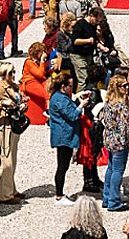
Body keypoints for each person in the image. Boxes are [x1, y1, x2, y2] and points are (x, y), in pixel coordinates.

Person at [0, 61, 27, 205]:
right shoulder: (1, 88)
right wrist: (3, 103)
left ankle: (11, 189)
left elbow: (19, 100)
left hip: (14, 124)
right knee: (7, 159)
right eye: (11, 73)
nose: (13, 75)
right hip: (5, 126)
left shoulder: (13, 87)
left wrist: (22, 105)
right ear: (4, 74)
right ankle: (4, 194)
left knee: (13, 158)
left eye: (14, 72)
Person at [49, 73, 90, 205]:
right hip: (63, 136)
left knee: (63, 165)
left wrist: (78, 98)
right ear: (63, 87)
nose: (72, 88)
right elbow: (72, 115)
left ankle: (59, 194)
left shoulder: (60, 96)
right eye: (70, 86)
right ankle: (59, 196)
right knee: (62, 166)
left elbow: (69, 105)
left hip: (64, 134)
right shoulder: (60, 99)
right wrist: (81, 105)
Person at [99, 74, 129, 212]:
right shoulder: (121, 106)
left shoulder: (108, 103)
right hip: (119, 141)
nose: (127, 88)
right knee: (118, 170)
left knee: (111, 168)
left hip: (109, 139)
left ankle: (106, 197)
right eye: (125, 86)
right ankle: (114, 201)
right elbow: (126, 127)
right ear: (119, 88)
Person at [20, 41, 51, 125]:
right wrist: (42, 61)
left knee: (50, 89)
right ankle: (48, 113)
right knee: (46, 96)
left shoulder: (35, 61)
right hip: (29, 82)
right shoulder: (29, 62)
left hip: (38, 81)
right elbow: (40, 74)